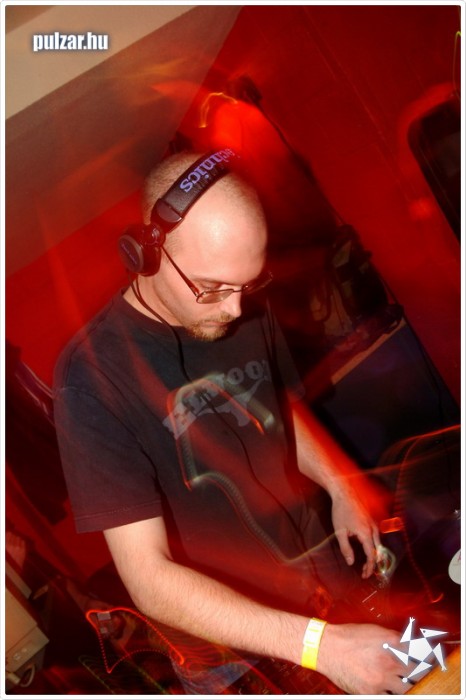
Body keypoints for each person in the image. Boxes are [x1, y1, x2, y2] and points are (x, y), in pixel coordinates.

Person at [53, 148, 414, 695]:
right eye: (213, 288)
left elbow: (276, 403)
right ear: (146, 255)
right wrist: (323, 648)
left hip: (316, 584)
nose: (235, 310)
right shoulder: (91, 378)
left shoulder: (241, 304)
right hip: (232, 654)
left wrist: (340, 483)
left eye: (247, 284)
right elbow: (148, 578)